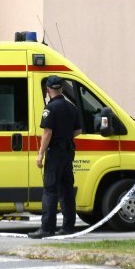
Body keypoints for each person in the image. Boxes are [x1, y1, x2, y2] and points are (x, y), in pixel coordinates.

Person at [28, 75, 82, 239]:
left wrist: (40, 154)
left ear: (48, 90)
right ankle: (68, 227)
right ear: (62, 89)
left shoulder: (50, 108)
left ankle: (47, 228)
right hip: (68, 152)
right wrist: (65, 137)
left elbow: (47, 132)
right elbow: (78, 131)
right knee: (66, 190)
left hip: (55, 153)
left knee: (50, 190)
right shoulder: (71, 107)